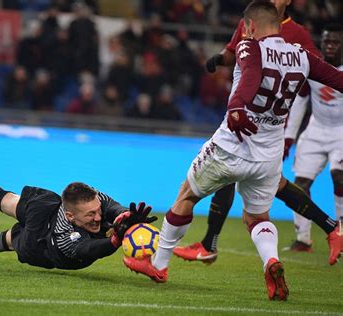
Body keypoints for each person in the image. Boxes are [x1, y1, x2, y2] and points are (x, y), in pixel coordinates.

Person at [123, 1, 343, 301]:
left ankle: (159, 265)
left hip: (232, 144)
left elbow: (250, 76)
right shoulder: (303, 56)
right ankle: (271, 261)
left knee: (187, 194)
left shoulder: (250, 47)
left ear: (250, 26)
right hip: (268, 155)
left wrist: (237, 107)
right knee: (257, 217)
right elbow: (338, 79)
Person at [175, 0, 342, 264]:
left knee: (252, 182)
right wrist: (219, 60)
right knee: (253, 182)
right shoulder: (250, 20)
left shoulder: (296, 33)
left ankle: (328, 228)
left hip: (263, 126)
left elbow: (317, 66)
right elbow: (233, 53)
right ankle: (211, 244)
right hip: (244, 118)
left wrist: (240, 107)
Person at [0, 172, 156, 270]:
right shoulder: (66, 237)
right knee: (6, 237)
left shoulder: (95, 198)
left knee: (6, 201)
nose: (98, 217)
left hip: (44, 212)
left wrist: (124, 215)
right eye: (90, 215)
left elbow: (112, 207)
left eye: (97, 211)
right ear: (70, 216)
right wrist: (114, 241)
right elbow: (89, 249)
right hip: (40, 244)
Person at [283, 24, 343, 252]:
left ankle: (341, 231)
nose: (329, 45)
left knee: (339, 177)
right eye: (326, 41)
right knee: (300, 184)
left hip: (341, 130)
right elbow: (301, 99)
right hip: (315, 129)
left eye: (335, 42)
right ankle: (303, 239)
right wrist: (289, 137)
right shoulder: (313, 65)